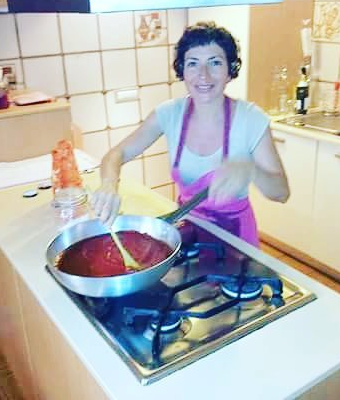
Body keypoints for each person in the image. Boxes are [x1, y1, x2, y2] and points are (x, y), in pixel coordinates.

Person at [91, 21, 289, 247]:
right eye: (193, 64)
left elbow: (281, 193)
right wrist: (108, 185)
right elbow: (116, 154)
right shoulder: (169, 114)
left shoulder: (250, 119)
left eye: (215, 63)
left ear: (230, 70)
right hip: (189, 233)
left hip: (237, 242)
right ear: (182, 71)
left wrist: (250, 169)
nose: (203, 75)